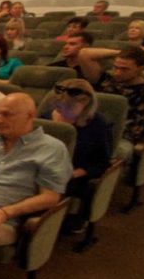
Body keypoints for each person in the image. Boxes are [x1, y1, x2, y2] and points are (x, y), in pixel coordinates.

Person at [0, 93, 72, 249]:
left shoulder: (52, 148)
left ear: (30, 115)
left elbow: (50, 198)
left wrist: (5, 212)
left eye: (7, 114)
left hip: (0, 221)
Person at [38, 79, 113, 232]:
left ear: (85, 103)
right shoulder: (46, 118)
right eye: (58, 107)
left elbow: (101, 162)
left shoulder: (97, 125)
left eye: (67, 108)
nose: (61, 112)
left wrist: (73, 173)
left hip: (75, 174)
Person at [97, 46, 144, 144]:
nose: (117, 73)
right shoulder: (108, 79)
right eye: (116, 67)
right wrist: (120, 52)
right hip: (97, 131)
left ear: (140, 68)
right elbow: (85, 54)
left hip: (123, 138)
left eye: (124, 69)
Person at [49, 32, 113, 86]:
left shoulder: (92, 70)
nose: (65, 47)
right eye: (66, 44)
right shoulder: (54, 67)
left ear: (86, 47)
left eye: (72, 44)